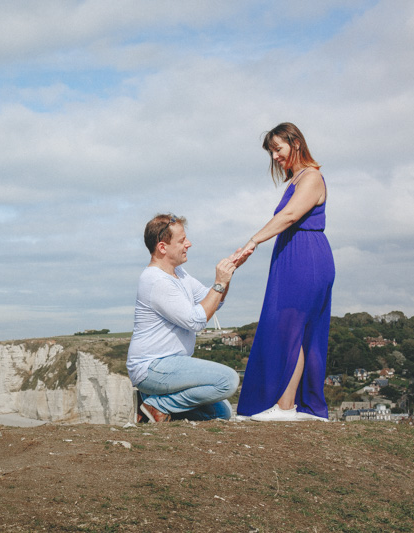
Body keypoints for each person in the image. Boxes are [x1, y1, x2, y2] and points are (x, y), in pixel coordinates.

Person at [233, 122, 335, 422]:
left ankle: (286, 407)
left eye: (278, 148)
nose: (275, 157)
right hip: (293, 254)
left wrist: (253, 241)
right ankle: (298, 407)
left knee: (289, 327)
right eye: (272, 152)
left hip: (306, 256)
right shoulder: (296, 179)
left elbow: (290, 215)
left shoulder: (312, 176)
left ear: (296, 143)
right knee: (295, 329)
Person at [127, 213, 241, 423]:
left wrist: (227, 276)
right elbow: (197, 321)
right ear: (163, 247)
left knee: (221, 412)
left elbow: (214, 300)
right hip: (152, 366)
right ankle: (156, 405)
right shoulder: (155, 281)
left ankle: (150, 403)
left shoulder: (180, 273)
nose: (189, 244)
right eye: (181, 241)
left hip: (171, 364)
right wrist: (219, 283)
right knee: (228, 381)